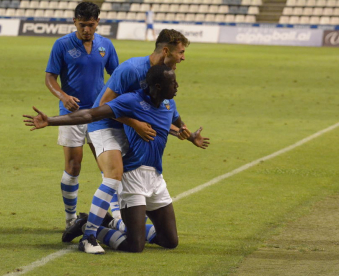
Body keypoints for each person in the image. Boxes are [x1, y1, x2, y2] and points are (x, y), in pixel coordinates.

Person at [24, 65, 209, 253]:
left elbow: (172, 124)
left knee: (170, 241)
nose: (177, 85)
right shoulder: (131, 101)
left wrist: (190, 136)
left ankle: (107, 222)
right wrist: (51, 121)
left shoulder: (170, 104)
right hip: (133, 178)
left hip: (156, 179)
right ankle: (85, 228)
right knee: (134, 245)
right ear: (158, 86)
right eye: (172, 82)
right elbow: (91, 113)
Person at [73, 29, 207, 254]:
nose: (183, 57)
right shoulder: (132, 69)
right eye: (181, 52)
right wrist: (134, 124)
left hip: (127, 127)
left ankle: (110, 223)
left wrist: (185, 133)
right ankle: (89, 234)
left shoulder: (163, 74)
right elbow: (101, 108)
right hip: (105, 124)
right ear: (166, 50)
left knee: (166, 237)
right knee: (115, 176)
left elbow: (159, 115)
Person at [44, 1, 119, 230]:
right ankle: (70, 218)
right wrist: (62, 96)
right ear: (74, 21)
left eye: (91, 25)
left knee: (109, 167)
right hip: (71, 114)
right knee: (74, 165)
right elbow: (50, 78)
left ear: (98, 23)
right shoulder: (62, 45)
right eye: (82, 25)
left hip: (99, 114)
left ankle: (118, 216)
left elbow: (116, 75)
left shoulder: (106, 45)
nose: (86, 29)